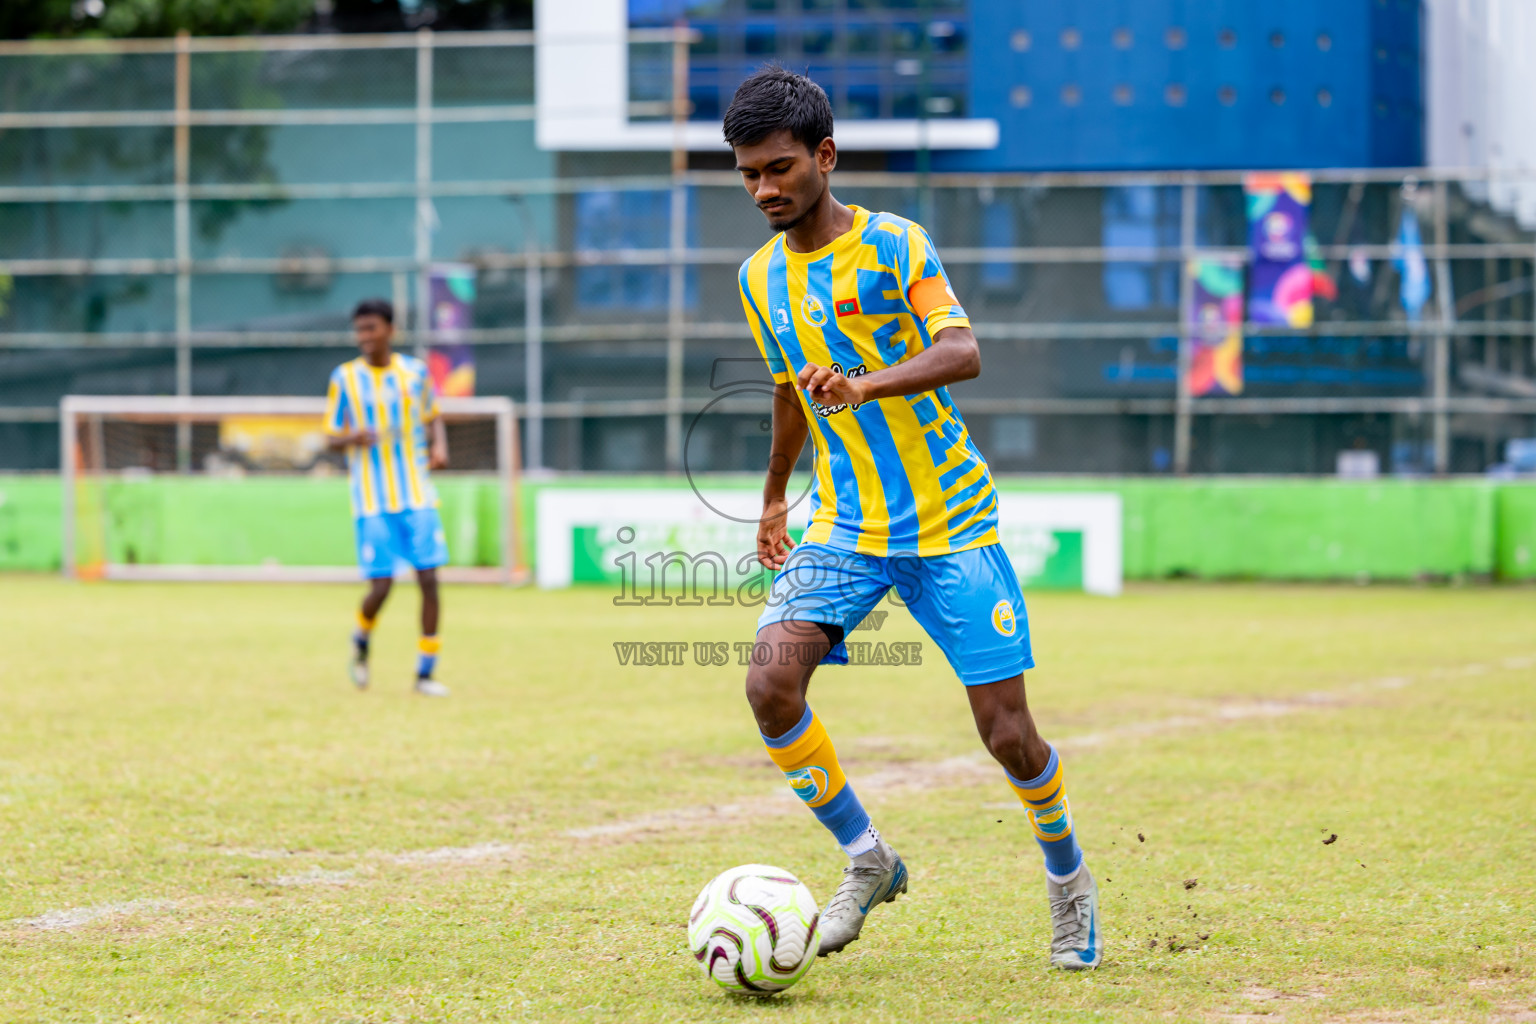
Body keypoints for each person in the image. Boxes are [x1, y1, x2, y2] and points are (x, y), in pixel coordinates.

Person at [725, 67, 1102, 968]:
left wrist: (863, 383)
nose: (765, 190)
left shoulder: (896, 246)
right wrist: (777, 492)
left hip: (949, 524)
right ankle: (869, 859)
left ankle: (1070, 882)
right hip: (845, 529)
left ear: (824, 155)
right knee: (770, 683)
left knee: (1008, 735)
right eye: (748, 175)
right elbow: (787, 388)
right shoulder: (757, 280)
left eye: (779, 168)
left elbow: (963, 350)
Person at [324, 298, 451, 697]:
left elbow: (433, 416)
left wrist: (440, 447)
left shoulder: (415, 374)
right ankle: (361, 639)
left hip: (416, 492)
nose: (365, 337)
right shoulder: (344, 378)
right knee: (381, 587)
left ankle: (425, 674)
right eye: (359, 330)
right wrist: (352, 437)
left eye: (371, 329)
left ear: (390, 330)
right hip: (371, 498)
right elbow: (330, 437)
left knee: (429, 580)